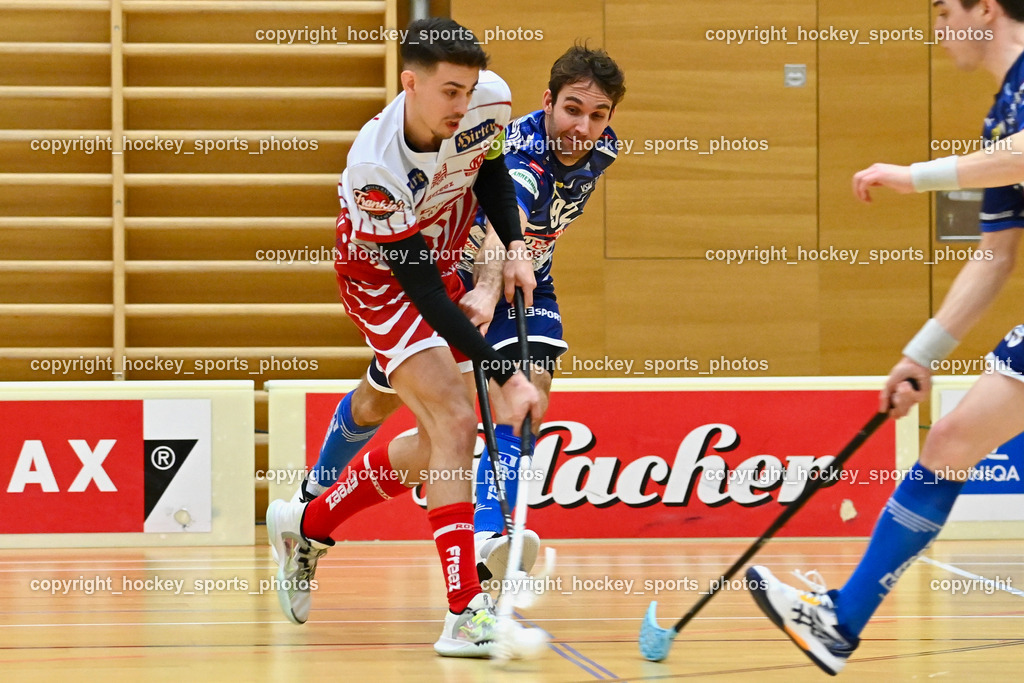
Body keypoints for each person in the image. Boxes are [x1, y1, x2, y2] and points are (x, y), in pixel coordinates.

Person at [747, 0, 1024, 675]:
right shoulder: (1001, 111)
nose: (935, 27)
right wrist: (920, 355)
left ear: (984, 9)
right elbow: (995, 254)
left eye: (942, 10)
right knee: (951, 439)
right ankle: (839, 622)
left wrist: (911, 176)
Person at [290, 44, 626, 585]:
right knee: (381, 401)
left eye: (597, 115)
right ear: (547, 102)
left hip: (529, 274)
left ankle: (491, 534)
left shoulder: (602, 148)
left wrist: (520, 265)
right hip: (463, 275)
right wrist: (490, 289)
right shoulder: (523, 151)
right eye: (571, 110)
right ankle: (315, 491)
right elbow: (503, 220)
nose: (582, 128)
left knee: (523, 397)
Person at [266, 17, 542, 659]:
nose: (463, 105)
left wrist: (517, 244)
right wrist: (505, 373)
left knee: (439, 441)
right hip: (380, 278)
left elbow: (492, 169)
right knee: (454, 415)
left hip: (439, 249)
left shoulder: (486, 99)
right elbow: (418, 292)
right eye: (450, 92)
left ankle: (306, 524)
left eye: (469, 90)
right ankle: (463, 612)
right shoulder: (375, 166)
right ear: (409, 83)